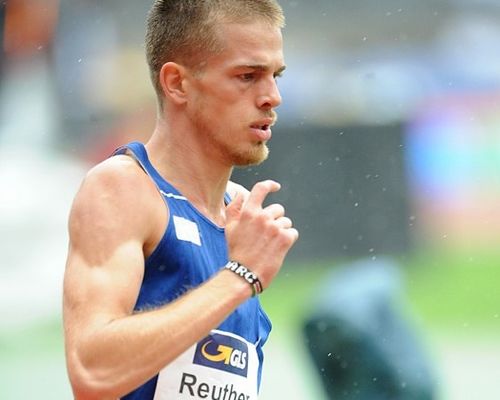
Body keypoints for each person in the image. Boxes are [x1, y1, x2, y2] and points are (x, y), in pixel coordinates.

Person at [62, 1, 298, 399]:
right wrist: (238, 277)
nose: (272, 96)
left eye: (275, 75)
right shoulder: (123, 188)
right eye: (247, 76)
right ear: (177, 84)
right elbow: (93, 371)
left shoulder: (240, 214)